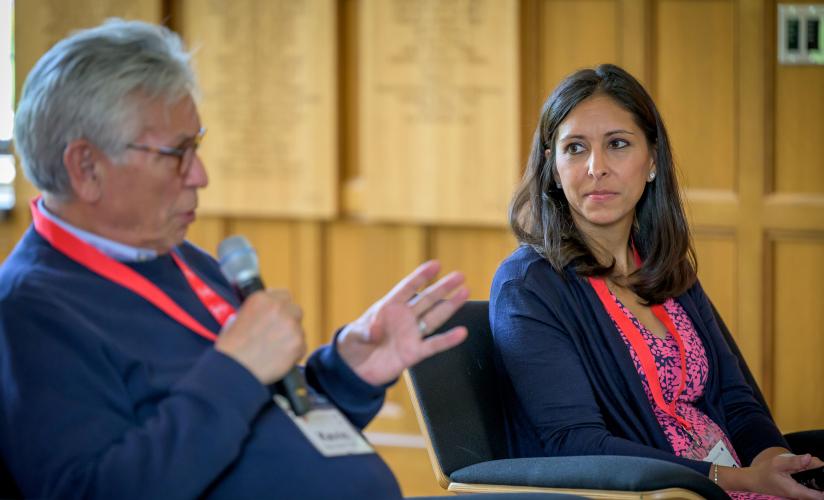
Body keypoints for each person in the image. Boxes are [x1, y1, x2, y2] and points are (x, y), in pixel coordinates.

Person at [0, 19, 475, 499]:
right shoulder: (29, 311)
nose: (200, 175)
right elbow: (94, 491)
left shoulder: (183, 258)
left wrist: (348, 374)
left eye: (197, 146)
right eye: (177, 153)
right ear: (86, 167)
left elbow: (254, 432)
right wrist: (237, 371)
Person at [489, 64, 824, 500]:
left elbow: (735, 398)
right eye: (575, 148)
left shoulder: (665, 267)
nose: (596, 167)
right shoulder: (528, 286)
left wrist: (774, 463)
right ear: (553, 168)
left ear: (651, 162)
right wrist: (732, 480)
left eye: (618, 144)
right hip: (652, 493)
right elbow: (574, 443)